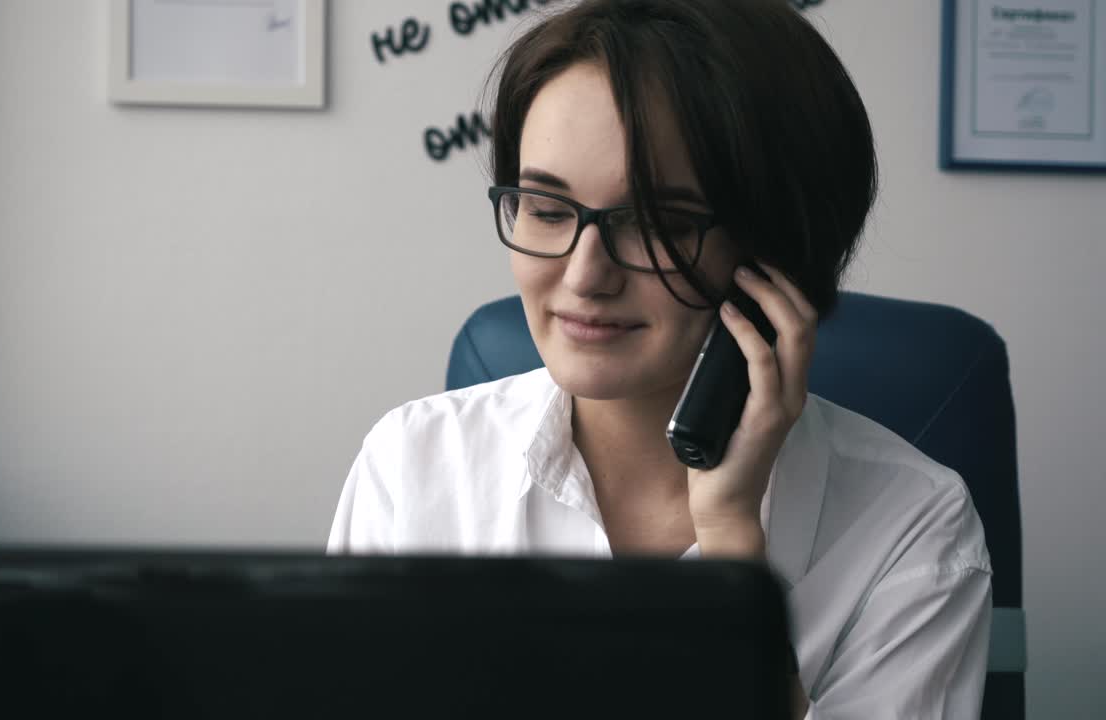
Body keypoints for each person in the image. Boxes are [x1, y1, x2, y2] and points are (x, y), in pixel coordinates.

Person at [328, 1, 993, 717]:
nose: (584, 276)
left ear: (778, 258)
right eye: (548, 210)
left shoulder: (914, 526)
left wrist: (733, 546)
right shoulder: (414, 464)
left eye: (655, 224)